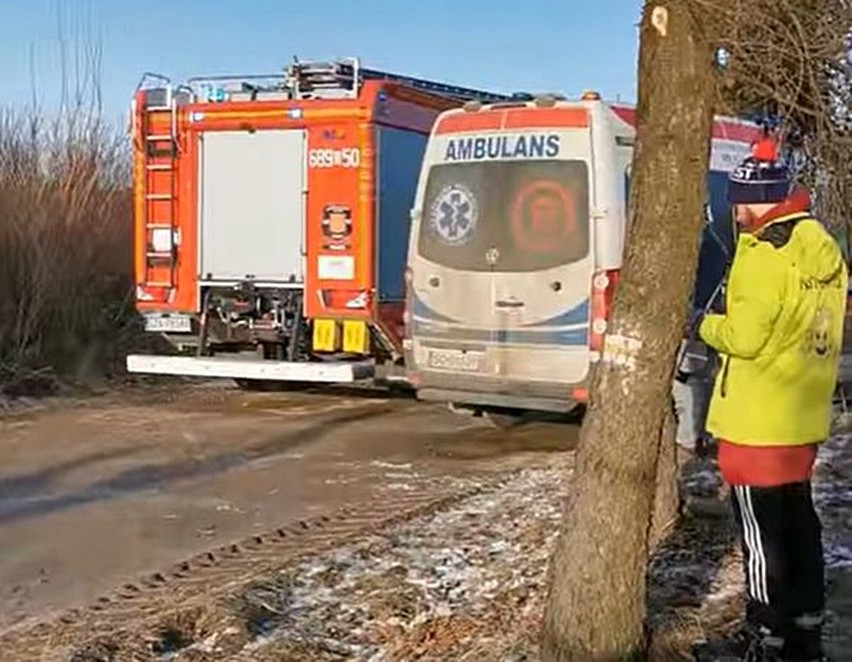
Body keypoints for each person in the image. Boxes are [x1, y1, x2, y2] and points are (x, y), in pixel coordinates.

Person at [692, 137, 847, 662]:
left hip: (757, 419)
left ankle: (763, 635)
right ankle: (805, 614)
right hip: (800, 414)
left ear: (761, 201)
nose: (737, 211)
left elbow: (746, 336)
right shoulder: (821, 249)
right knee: (798, 520)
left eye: (741, 201)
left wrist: (701, 324)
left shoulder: (763, 253)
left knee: (760, 536)